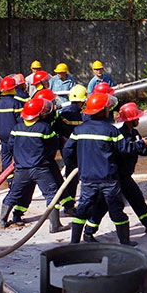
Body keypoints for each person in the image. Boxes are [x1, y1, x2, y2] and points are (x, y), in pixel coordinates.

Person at [63, 92, 147, 246]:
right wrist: (142, 144)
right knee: (116, 210)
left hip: (88, 179)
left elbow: (67, 152)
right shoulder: (111, 131)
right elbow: (125, 149)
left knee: (83, 209)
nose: (109, 111)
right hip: (108, 180)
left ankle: (74, 242)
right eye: (107, 109)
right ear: (102, 111)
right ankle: (125, 242)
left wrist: (80, 164)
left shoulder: (79, 130)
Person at [85, 102, 147, 239]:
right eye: (137, 117)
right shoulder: (120, 134)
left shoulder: (134, 133)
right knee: (103, 205)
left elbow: (142, 151)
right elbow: (127, 150)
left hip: (125, 176)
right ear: (130, 119)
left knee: (138, 200)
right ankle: (88, 232)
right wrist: (142, 143)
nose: (139, 119)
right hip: (115, 177)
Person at [0, 98, 69, 233]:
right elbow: (54, 145)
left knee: (13, 194)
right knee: (52, 195)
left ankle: (2, 221)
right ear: (39, 114)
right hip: (41, 169)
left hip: (21, 169)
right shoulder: (44, 128)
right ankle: (55, 225)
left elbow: (11, 146)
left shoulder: (17, 128)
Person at [53, 84, 87, 216]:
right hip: (77, 148)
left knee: (71, 173)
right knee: (75, 175)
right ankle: (69, 204)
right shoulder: (81, 116)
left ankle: (70, 201)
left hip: (65, 147)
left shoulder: (64, 112)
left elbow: (57, 128)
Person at [0, 75, 23, 177]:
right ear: (12, 89)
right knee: (18, 156)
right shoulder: (16, 103)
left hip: (2, 135)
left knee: (5, 157)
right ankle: (19, 177)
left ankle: (7, 177)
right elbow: (20, 120)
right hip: (14, 135)